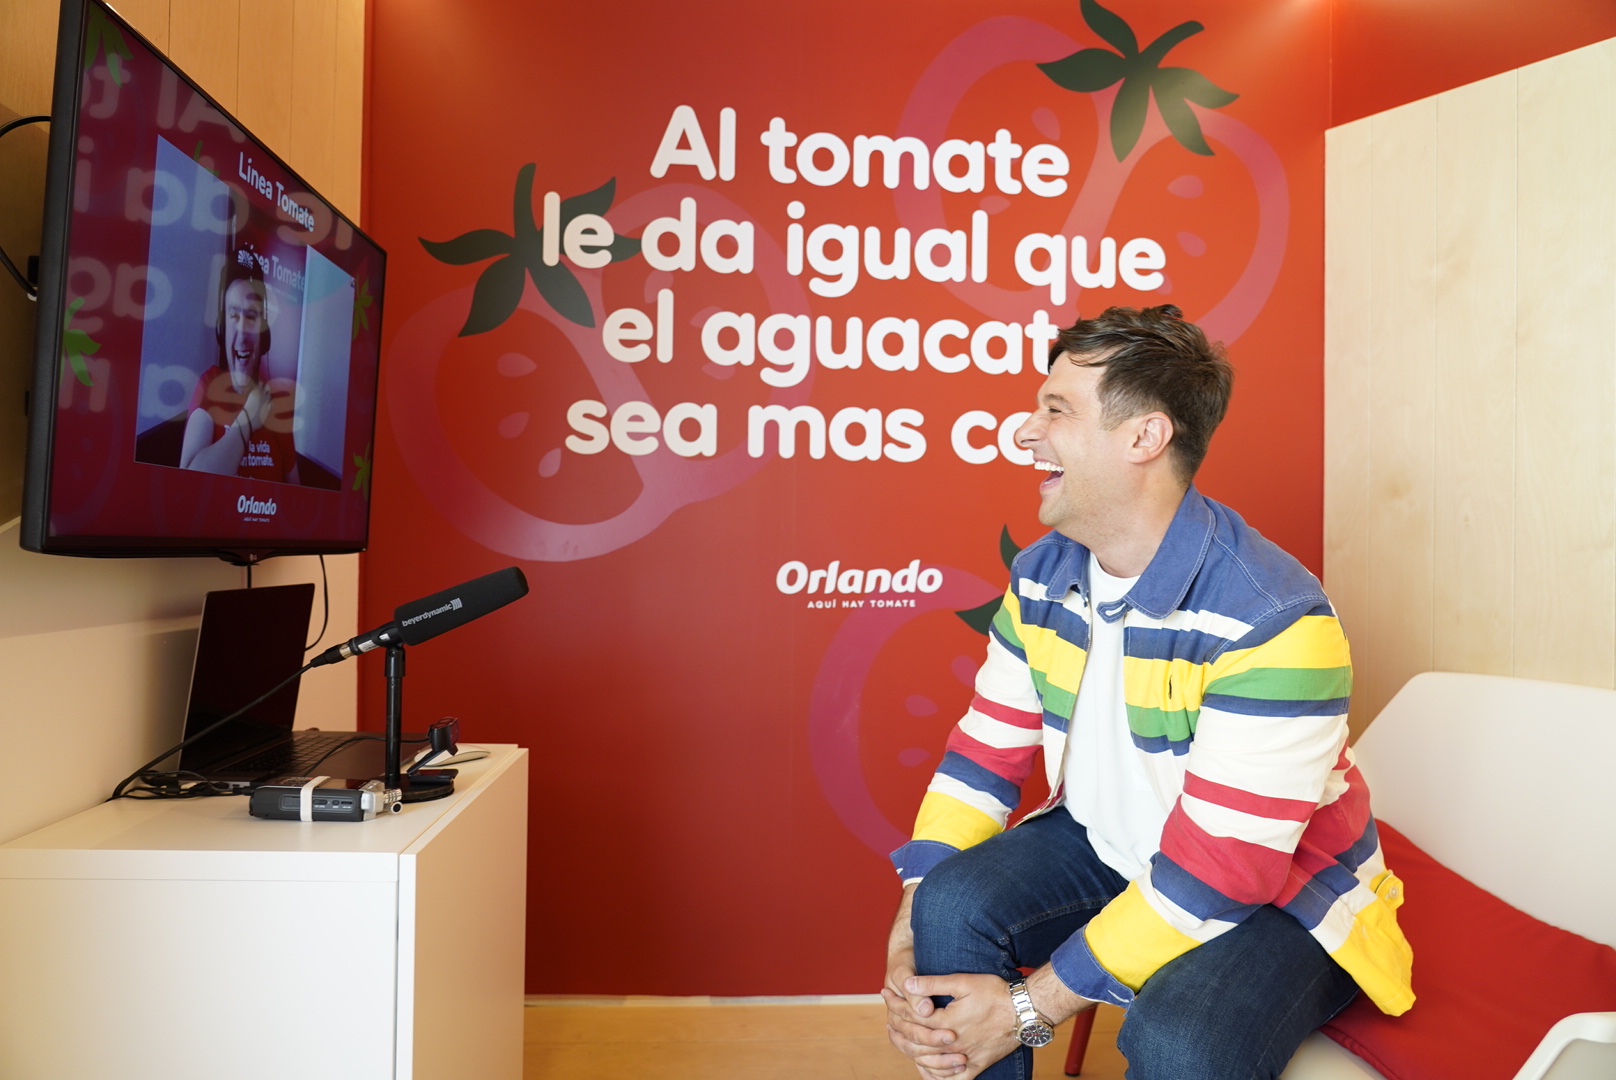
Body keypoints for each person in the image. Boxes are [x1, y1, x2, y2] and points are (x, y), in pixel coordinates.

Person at [881, 305, 1413, 1080]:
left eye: (1057, 409)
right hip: (1117, 847)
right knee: (946, 902)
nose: (1026, 430)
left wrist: (1026, 1009)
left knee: (1179, 1040)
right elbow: (983, 755)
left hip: (1283, 897)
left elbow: (1222, 869)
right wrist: (910, 929)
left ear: (1144, 438)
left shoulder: (1275, 617)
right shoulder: (1041, 575)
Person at [179, 252, 299, 483]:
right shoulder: (209, 385)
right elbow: (187, 485)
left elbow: (298, 494)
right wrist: (248, 420)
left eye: (252, 316)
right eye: (233, 315)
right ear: (221, 329)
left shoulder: (277, 400)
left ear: (264, 334)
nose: (243, 333)